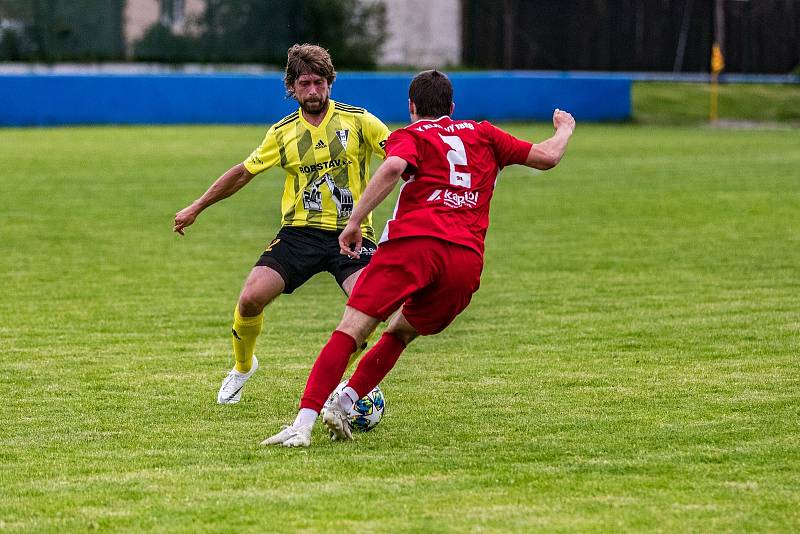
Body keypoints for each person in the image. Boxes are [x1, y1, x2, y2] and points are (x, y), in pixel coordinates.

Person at [262, 69, 576, 447]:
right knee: (400, 332)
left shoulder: (409, 135)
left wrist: (355, 221)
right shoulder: (484, 133)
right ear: (452, 107)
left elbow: (394, 167)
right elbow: (548, 157)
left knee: (352, 329)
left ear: (411, 107)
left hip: (414, 246)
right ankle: (344, 403)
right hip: (465, 261)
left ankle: (303, 424)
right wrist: (564, 128)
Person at [173, 44, 390, 404]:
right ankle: (243, 367)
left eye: (320, 82)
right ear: (292, 87)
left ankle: (342, 381)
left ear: (330, 83)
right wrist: (198, 206)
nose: (314, 91)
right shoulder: (282, 133)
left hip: (351, 234)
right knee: (250, 298)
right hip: (299, 233)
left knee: (368, 305)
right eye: (305, 84)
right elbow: (243, 173)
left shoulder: (358, 120)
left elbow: (400, 154)